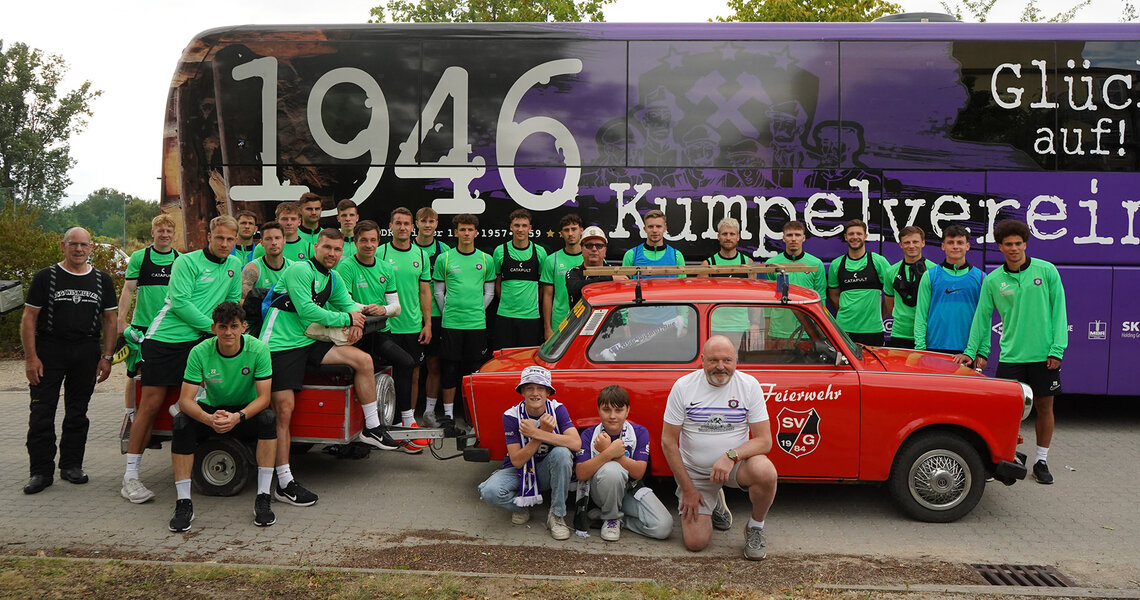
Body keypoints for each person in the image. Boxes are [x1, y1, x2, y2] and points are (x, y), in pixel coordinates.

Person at [261, 228, 393, 505]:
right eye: (327, 248)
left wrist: (359, 319)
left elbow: (349, 305)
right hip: (279, 345)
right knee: (283, 412)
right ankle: (284, 482)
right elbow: (307, 310)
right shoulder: (300, 270)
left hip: (307, 339)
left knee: (363, 360)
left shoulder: (333, 278)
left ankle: (371, 428)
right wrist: (347, 319)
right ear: (316, 248)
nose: (332, 253)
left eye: (337, 249)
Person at [122, 215, 242, 504]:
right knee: (149, 406)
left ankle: (184, 406)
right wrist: (214, 329)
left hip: (202, 340)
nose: (224, 243)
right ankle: (130, 478)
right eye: (220, 237)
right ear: (209, 236)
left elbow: (232, 303)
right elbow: (180, 303)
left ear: (235, 241)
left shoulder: (235, 264)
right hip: (166, 339)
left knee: (207, 394)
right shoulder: (186, 262)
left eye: (230, 239)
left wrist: (228, 329)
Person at [960, 219, 1067, 485]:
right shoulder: (993, 280)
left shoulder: (1047, 270)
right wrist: (971, 351)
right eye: (1008, 244)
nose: (1014, 248)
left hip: (1043, 356)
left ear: (1025, 244)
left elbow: (1059, 312)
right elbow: (981, 318)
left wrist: (1057, 350)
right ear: (1000, 247)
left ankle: (1041, 461)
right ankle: (1002, 458)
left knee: (1044, 406)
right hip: (1011, 356)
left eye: (1018, 243)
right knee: (1007, 412)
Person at [661, 335, 778, 560]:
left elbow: (765, 441)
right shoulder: (683, 387)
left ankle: (755, 527)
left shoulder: (749, 385)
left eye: (727, 360)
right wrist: (688, 489)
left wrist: (731, 456)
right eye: (714, 360)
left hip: (734, 466)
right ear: (702, 360)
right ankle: (714, 501)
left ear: (736, 361)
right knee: (695, 543)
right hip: (695, 473)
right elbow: (668, 442)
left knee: (766, 472)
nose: (721, 366)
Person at [21, 227, 117, 494]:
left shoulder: (102, 280)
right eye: (73, 244)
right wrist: (31, 358)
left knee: (78, 412)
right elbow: (29, 318)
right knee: (41, 412)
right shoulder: (46, 277)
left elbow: (110, 320)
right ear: (63, 246)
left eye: (84, 245)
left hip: (86, 350)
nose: (78, 249)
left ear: (91, 247)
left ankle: (72, 465)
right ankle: (41, 471)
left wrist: (107, 357)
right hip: (50, 349)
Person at [167, 301, 277, 532]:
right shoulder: (199, 351)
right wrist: (209, 419)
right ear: (213, 328)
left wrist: (238, 416)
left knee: (268, 418)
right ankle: (183, 502)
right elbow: (185, 400)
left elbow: (264, 398)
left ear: (244, 327)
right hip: (213, 412)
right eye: (223, 326)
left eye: (234, 326)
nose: (229, 332)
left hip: (243, 412)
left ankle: (263, 497)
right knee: (181, 422)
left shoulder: (259, 349)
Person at [337, 219, 424, 453]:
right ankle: (375, 429)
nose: (369, 245)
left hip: (380, 332)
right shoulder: (346, 267)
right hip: (354, 334)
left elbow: (395, 307)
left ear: (378, 241)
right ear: (355, 241)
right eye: (364, 240)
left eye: (373, 240)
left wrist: (382, 310)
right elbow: (344, 302)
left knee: (406, 362)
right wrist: (368, 308)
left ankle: (405, 423)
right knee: (365, 371)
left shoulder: (385, 267)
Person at [477, 366, 581, 540]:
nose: (535, 393)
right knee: (489, 492)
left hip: (548, 470)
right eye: (529, 388)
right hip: (519, 470)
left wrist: (537, 433)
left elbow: (576, 443)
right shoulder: (511, 415)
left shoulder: (557, 409)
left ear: (548, 392)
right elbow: (517, 460)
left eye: (540, 388)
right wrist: (539, 436)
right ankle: (521, 507)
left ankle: (556, 516)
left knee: (562, 453)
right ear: (522, 392)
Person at [573, 385, 673, 541]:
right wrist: (608, 453)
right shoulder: (589, 435)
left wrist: (615, 454)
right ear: (598, 410)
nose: (612, 416)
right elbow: (581, 474)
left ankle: (618, 520)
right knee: (613, 470)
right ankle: (611, 519)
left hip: (630, 490)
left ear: (627, 411)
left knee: (663, 527)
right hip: (601, 492)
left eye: (618, 410)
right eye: (606, 410)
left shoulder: (639, 432)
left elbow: (638, 473)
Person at [431, 213, 496, 435]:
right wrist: (449, 312)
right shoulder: (445, 258)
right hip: (451, 324)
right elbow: (438, 292)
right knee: (449, 369)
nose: (466, 233)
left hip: (476, 325)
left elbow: (489, 293)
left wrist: (476, 310)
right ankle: (448, 416)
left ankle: (471, 416)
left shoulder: (486, 259)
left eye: (470, 230)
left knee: (473, 373)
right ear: (455, 232)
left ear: (476, 233)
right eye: (462, 229)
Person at [117, 215, 179, 435]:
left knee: (171, 372)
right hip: (142, 325)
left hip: (170, 326)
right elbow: (128, 290)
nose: (164, 235)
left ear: (173, 234)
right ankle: (130, 415)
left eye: (168, 231)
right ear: (153, 232)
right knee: (135, 371)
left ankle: (165, 418)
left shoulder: (180, 260)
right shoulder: (139, 257)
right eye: (160, 230)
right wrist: (120, 320)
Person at [378, 208, 433, 435]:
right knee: (384, 375)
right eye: (398, 223)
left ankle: (407, 422)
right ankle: (386, 422)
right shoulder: (380, 252)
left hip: (412, 326)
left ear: (413, 227)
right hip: (386, 327)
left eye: (406, 224)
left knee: (413, 374)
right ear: (390, 226)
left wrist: (427, 324)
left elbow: (425, 292)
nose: (402, 227)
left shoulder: (421, 255)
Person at [914, 224, 985, 354]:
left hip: (968, 351)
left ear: (968, 246)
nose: (955, 246)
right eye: (950, 242)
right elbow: (921, 315)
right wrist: (920, 348)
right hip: (934, 347)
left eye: (960, 242)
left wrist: (982, 352)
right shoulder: (930, 275)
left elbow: (984, 318)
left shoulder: (981, 277)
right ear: (943, 246)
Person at [621, 209, 686, 334]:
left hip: (669, 322)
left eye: (658, 226)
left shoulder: (676, 256)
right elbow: (623, 290)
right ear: (644, 229)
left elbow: (682, 292)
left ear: (665, 228)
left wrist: (684, 322)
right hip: (638, 322)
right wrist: (624, 321)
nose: (655, 230)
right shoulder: (631, 255)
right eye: (651, 226)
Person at [827, 219, 891, 345]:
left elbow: (892, 292)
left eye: (859, 234)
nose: (855, 237)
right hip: (844, 328)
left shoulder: (878, 261)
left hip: (873, 329)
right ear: (846, 237)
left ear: (865, 236)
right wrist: (848, 313)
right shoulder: (836, 264)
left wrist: (880, 314)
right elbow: (833, 295)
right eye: (851, 234)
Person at [414, 206, 451, 426]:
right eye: (423, 221)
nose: (427, 225)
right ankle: (405, 413)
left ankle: (428, 412)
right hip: (410, 316)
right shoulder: (408, 248)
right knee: (411, 366)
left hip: (437, 315)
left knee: (434, 364)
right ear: (416, 223)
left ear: (436, 224)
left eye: (431, 221)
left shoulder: (444, 250)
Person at [492, 208, 548, 349]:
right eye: (517, 225)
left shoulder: (540, 252)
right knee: (504, 358)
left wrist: (532, 304)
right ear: (511, 227)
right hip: (505, 316)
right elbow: (496, 283)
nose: (520, 229)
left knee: (526, 357)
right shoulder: (500, 251)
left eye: (524, 226)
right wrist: (507, 302)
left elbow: (543, 286)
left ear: (530, 228)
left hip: (531, 317)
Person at [765, 221, 826, 348]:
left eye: (797, 235)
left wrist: (819, 328)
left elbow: (821, 298)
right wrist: (766, 327)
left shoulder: (816, 264)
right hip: (778, 330)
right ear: (783, 238)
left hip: (807, 331)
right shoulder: (772, 263)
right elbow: (767, 300)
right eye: (789, 235)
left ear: (804, 238)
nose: (793, 239)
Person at [702, 218, 759, 349]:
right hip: (713, 326)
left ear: (738, 237)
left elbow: (754, 298)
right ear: (718, 236)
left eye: (732, 234)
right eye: (724, 234)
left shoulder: (748, 263)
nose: (728, 238)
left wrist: (755, 323)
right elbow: (702, 298)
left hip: (740, 326)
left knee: (735, 360)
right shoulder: (708, 264)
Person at [884, 226, 936, 349]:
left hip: (927, 334)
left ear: (923, 243)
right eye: (907, 242)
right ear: (900, 245)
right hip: (899, 333)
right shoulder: (890, 271)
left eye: (915, 242)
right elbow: (889, 302)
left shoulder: (934, 270)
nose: (911, 246)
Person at [540, 213, 584, 339]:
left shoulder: (592, 258)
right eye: (566, 230)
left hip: (585, 319)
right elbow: (547, 296)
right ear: (561, 233)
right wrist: (547, 328)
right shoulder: (551, 260)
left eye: (574, 229)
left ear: (581, 230)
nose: (570, 233)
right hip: (559, 322)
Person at [566, 226, 625, 308]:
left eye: (599, 245)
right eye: (589, 245)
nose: (594, 249)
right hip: (583, 316)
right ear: (581, 249)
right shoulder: (573, 272)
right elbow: (575, 289)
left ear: (605, 250)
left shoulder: (615, 270)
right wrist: (610, 279)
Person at [240, 221, 293, 301]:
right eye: (268, 239)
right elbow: (241, 300)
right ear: (261, 242)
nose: (274, 243)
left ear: (284, 240)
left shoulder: (292, 268)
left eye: (277, 238)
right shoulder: (252, 269)